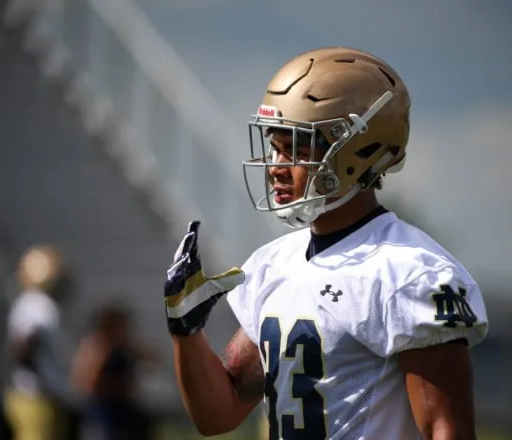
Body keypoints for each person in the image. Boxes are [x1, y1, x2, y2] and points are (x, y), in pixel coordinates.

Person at [163, 46, 489, 439]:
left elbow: (446, 430)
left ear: (357, 152)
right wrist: (186, 329)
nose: (277, 167)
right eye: (275, 146)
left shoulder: (409, 272)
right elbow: (218, 414)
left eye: (297, 149)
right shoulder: (273, 264)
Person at [4, 244, 75, 440]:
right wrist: (38, 377)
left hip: (34, 391)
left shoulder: (30, 302)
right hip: (35, 393)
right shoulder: (37, 305)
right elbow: (25, 342)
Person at [71, 302, 159, 440]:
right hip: (102, 409)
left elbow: (154, 359)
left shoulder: (126, 346)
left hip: (125, 408)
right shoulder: (94, 346)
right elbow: (85, 382)